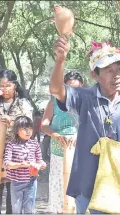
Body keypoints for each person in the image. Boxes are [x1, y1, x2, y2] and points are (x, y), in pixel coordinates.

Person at [49, 37, 120, 214]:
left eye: (119, 69)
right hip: (89, 185)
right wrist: (60, 61)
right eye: (109, 70)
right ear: (94, 75)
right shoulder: (84, 98)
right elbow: (57, 90)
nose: (117, 75)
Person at [0, 69, 34, 214]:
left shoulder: (23, 104)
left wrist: (13, 123)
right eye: (1, 86)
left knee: (14, 193)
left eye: (8, 85)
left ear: (15, 85)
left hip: (16, 153)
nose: (4, 89)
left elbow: (29, 127)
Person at [41, 71, 83, 213]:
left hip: (80, 153)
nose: (73, 91)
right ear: (64, 87)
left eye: (77, 88)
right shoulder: (54, 102)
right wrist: (57, 135)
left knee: (80, 191)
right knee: (60, 189)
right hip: (59, 151)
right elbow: (44, 125)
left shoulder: (86, 102)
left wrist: (79, 136)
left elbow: (92, 126)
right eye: (69, 87)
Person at [4, 116, 46, 214]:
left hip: (31, 182)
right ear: (17, 130)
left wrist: (41, 165)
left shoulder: (35, 144)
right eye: (24, 129)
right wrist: (21, 164)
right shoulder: (11, 144)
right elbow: (7, 164)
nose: (28, 131)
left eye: (30, 128)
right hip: (16, 182)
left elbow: (40, 161)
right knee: (16, 209)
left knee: (29, 209)